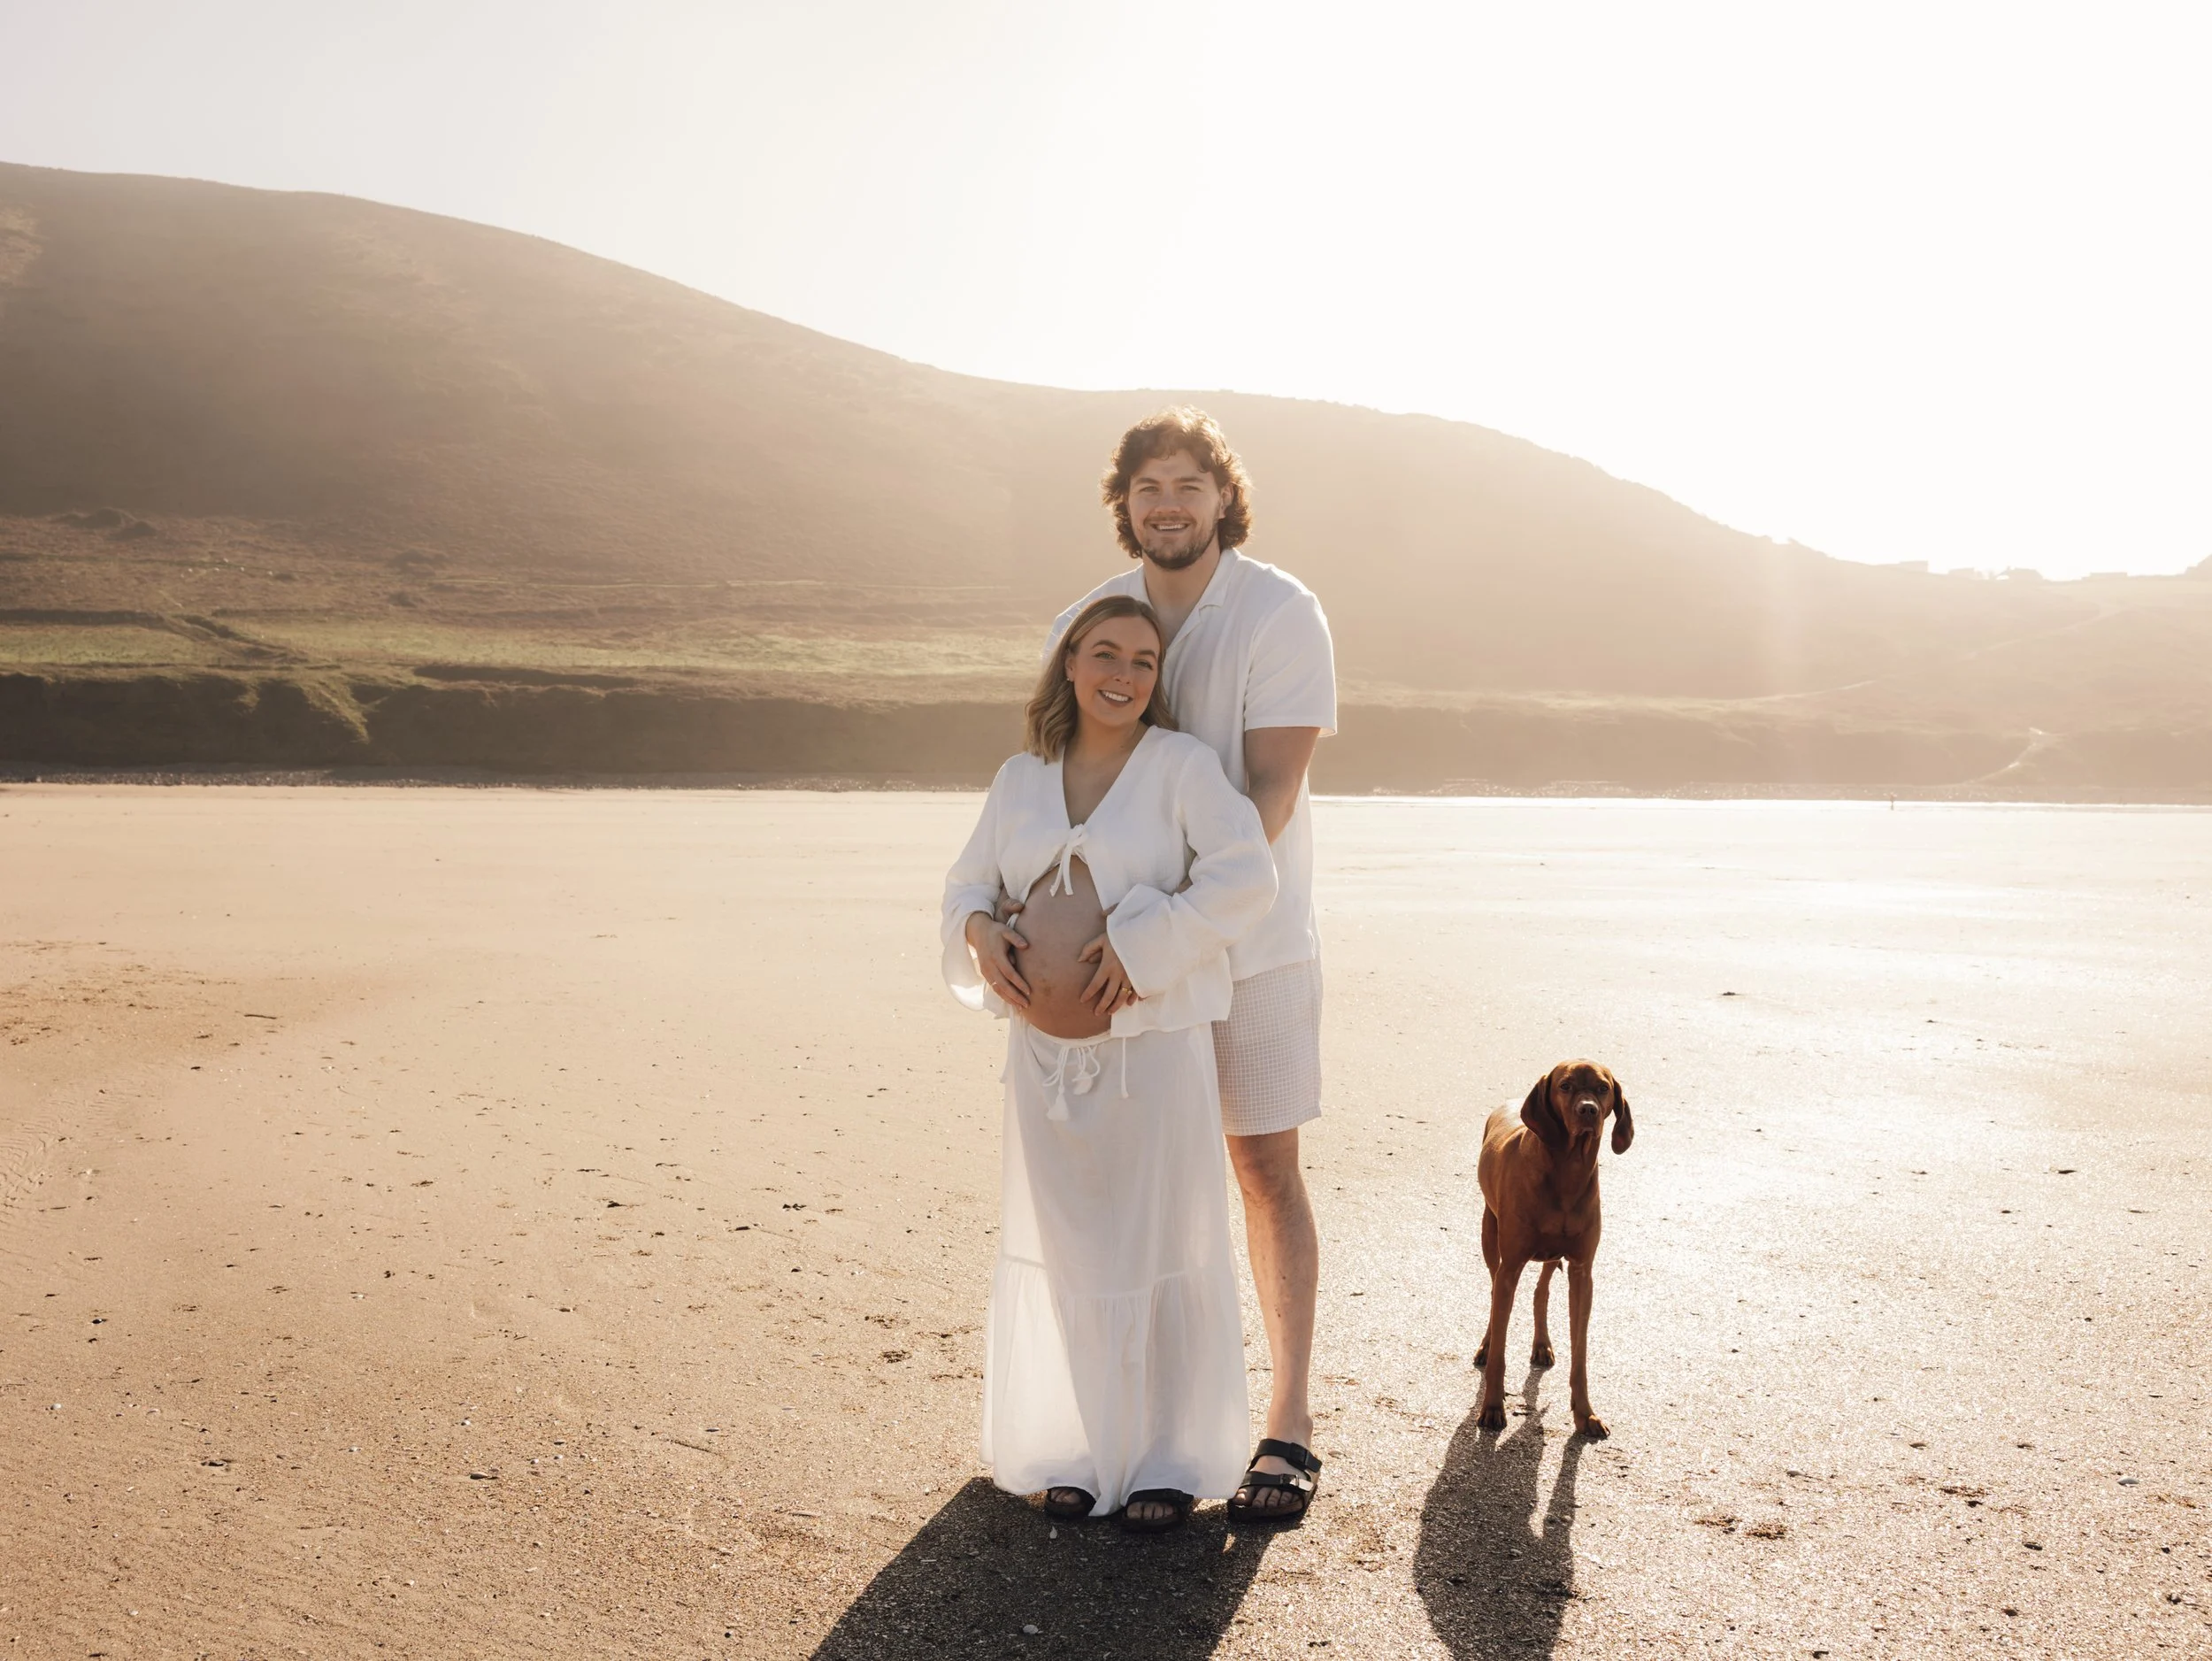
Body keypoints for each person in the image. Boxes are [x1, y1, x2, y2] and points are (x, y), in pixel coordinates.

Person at [972, 409, 1336, 1526]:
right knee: (1123, 1197)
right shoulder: (1086, 618)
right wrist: (1010, 934)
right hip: (1118, 989)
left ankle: (1284, 1422)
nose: (1167, 503)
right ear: (1123, 503)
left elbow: (1267, 796)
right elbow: (1051, 775)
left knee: (1259, 1167)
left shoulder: (1279, 611)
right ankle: (1105, 1429)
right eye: (1146, 487)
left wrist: (1153, 944)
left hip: (1250, 945)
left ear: (1223, 498)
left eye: (1189, 483)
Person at [941, 593, 1279, 1532]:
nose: (1122, 674)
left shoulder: (1180, 767)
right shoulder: (1020, 776)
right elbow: (969, 880)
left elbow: (1247, 872)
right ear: (1069, 663)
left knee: (1163, 1243)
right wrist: (977, 928)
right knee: (1070, 1249)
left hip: (1151, 1058)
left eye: (1141, 660)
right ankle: (1078, 1449)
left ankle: (1168, 1458)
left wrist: (1147, 943)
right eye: (1103, 653)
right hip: (1042, 1063)